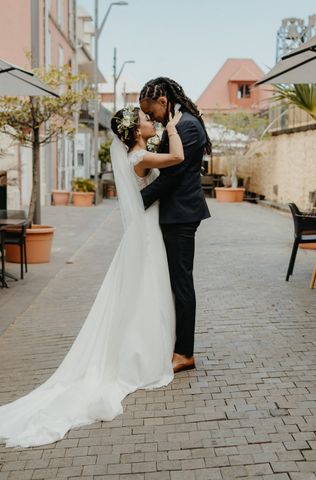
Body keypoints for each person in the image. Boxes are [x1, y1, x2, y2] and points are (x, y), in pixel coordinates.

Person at [0, 106, 185, 448]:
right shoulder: (140, 156)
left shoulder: (136, 153)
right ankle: (141, 357)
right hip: (148, 231)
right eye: (144, 119)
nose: (150, 121)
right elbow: (179, 158)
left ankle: (145, 349)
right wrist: (172, 127)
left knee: (141, 290)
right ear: (135, 131)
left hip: (145, 228)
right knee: (146, 291)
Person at [138, 77, 211, 373]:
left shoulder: (187, 125)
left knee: (182, 284)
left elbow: (174, 176)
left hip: (182, 215)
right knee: (176, 282)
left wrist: (137, 200)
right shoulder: (178, 124)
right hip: (175, 213)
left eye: (152, 112)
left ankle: (185, 353)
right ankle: (178, 345)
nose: (152, 119)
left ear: (163, 101)